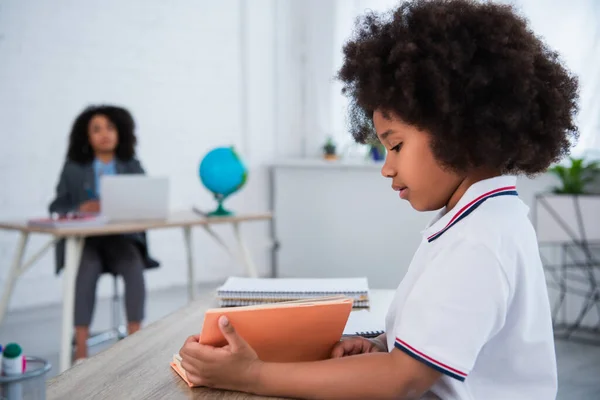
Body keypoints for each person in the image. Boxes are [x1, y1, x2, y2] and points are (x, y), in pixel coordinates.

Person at [178, 0, 578, 398]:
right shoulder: (483, 221)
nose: (386, 168)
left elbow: (400, 380)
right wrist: (383, 345)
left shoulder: (481, 240)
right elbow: (441, 342)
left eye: (396, 145)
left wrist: (249, 374)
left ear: (462, 134)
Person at [49, 105, 159, 361]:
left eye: (110, 127)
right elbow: (57, 206)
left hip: (122, 240)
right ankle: (81, 349)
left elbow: (147, 198)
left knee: (133, 265)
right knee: (85, 269)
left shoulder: (131, 165)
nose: (104, 134)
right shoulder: (74, 168)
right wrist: (80, 207)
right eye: (96, 129)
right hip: (88, 241)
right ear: (86, 137)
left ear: (121, 132)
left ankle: (135, 340)